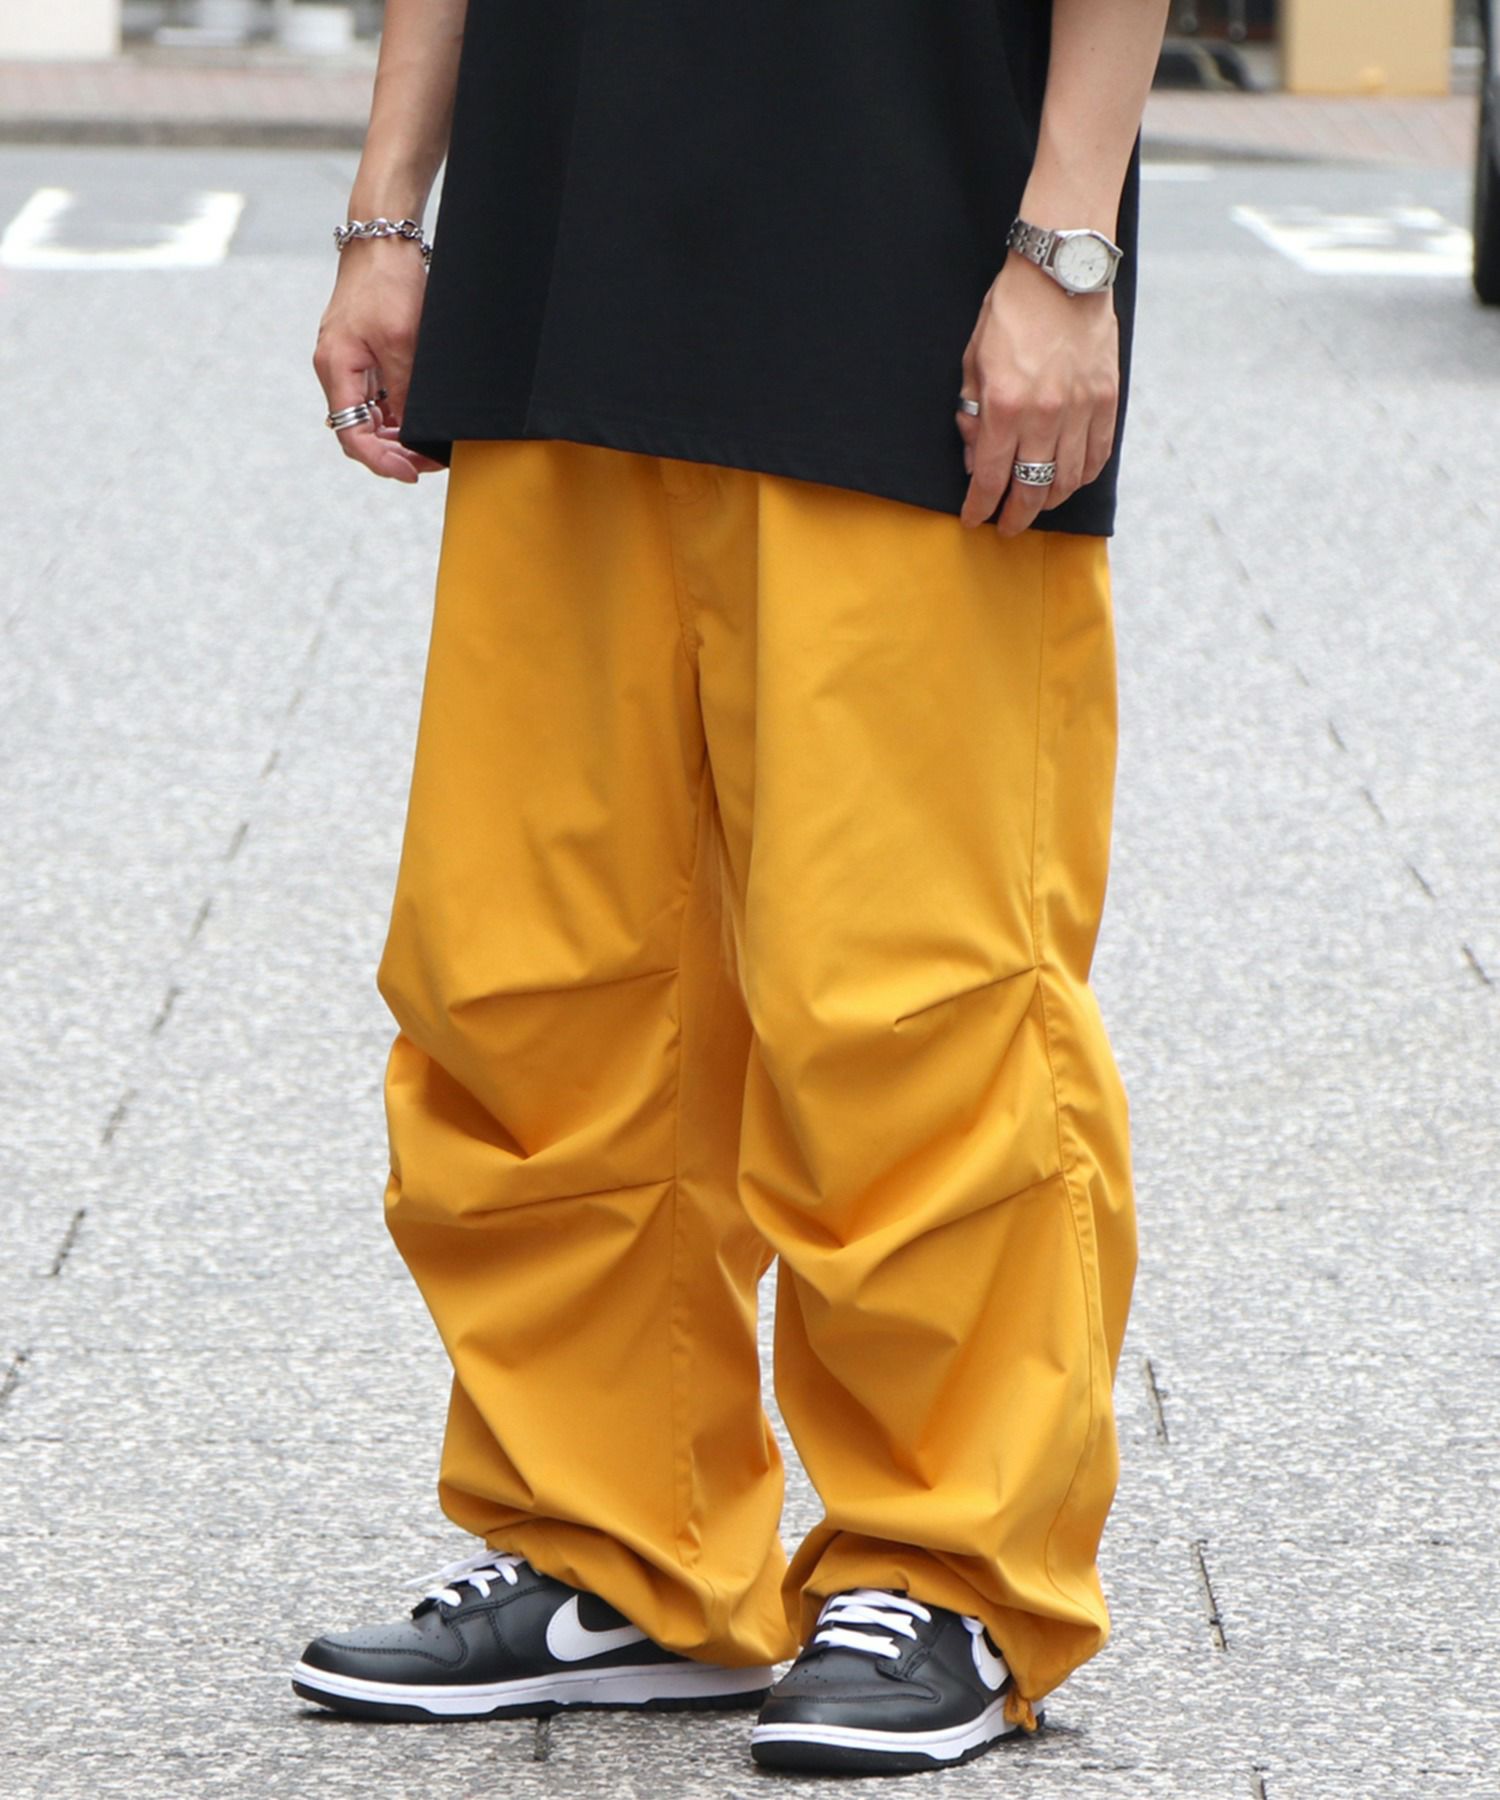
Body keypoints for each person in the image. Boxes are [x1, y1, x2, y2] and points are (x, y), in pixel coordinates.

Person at [294, 0, 1166, 1775]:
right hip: (558, 243)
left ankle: (953, 1568)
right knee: (533, 972)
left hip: (903, 249)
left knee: (905, 981)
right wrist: (391, 215)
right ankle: (617, 1543)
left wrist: (1067, 249)